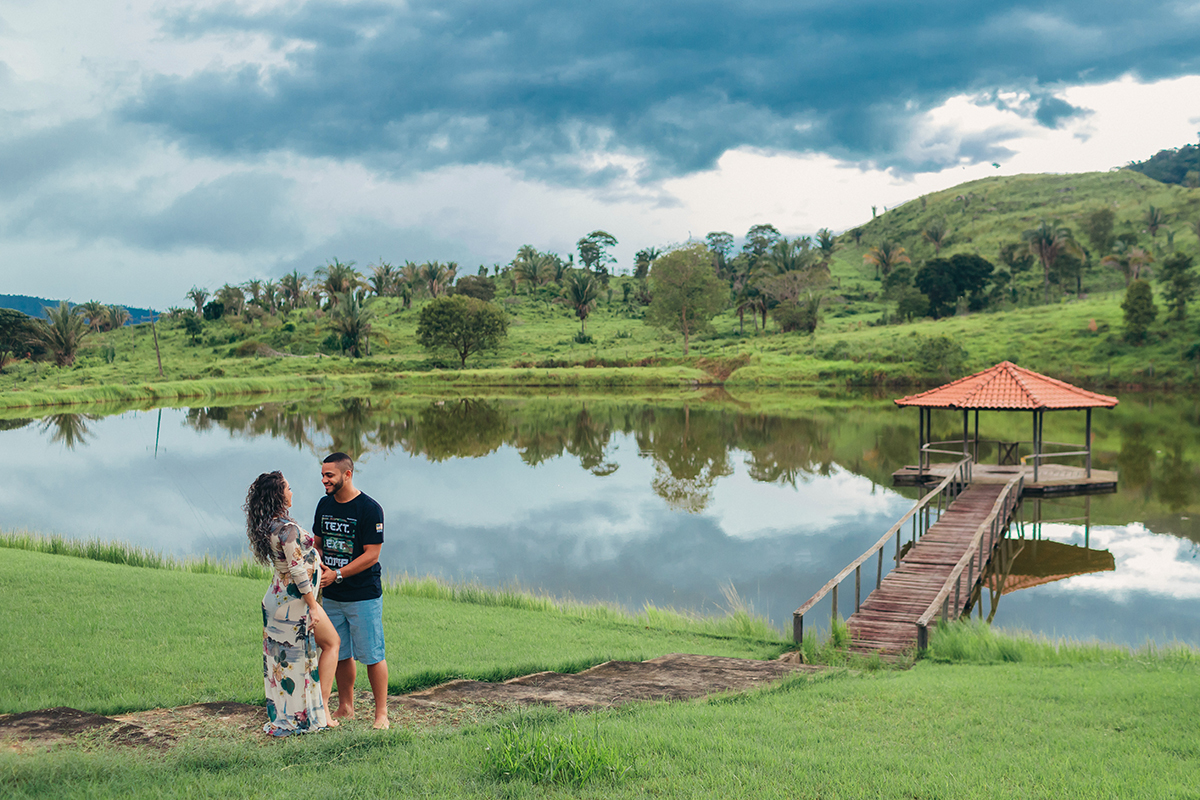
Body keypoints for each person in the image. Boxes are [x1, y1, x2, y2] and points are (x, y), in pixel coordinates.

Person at [244, 471, 340, 736]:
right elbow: (297, 570)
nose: (292, 491)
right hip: (295, 601)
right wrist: (312, 605)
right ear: (278, 494)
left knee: (284, 659)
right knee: (331, 644)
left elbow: (295, 558)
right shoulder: (286, 529)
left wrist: (315, 559)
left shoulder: (272, 526)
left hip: (278, 599)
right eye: (288, 487)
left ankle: (301, 712)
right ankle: (321, 713)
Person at [314, 452, 390, 729]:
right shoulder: (324, 505)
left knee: (372, 654)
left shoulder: (369, 509)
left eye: (329, 475)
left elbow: (372, 555)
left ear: (347, 474)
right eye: (322, 475)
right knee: (340, 652)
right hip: (332, 595)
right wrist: (319, 562)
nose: (324, 480)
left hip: (363, 595)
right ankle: (346, 706)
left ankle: (381, 713)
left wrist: (339, 574)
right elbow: (318, 543)